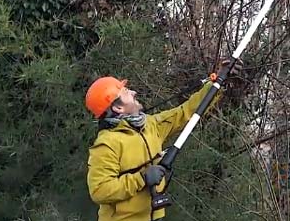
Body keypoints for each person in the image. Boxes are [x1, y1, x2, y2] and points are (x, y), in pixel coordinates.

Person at [85, 59, 243, 221]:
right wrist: (141, 179)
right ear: (118, 108)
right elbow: (99, 190)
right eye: (125, 92)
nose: (133, 93)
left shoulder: (151, 125)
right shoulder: (107, 144)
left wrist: (218, 83)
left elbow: (186, 111)